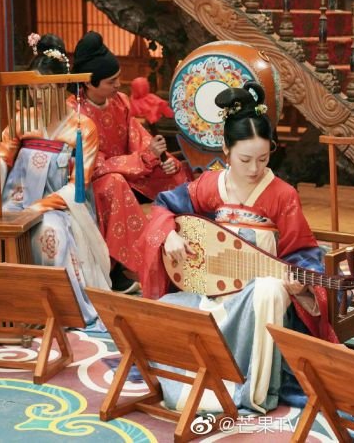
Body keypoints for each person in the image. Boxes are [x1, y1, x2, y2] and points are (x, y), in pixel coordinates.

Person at [136, 81, 338, 414]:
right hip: (213, 290)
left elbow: (303, 253)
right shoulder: (209, 185)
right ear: (226, 150)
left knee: (269, 290)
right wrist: (169, 233)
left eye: (263, 158)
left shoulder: (282, 195)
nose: (255, 169)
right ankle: (203, 382)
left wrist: (300, 285)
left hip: (262, 302)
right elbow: (164, 206)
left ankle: (250, 389)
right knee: (165, 313)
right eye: (245, 159)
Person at [0, 33, 111, 328]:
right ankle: (0, 308)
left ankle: (58, 310)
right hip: (15, 201)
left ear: (61, 86)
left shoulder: (82, 127)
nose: (37, 95)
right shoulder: (22, 120)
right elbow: (2, 161)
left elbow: (78, 185)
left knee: (49, 233)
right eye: (32, 88)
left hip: (58, 206)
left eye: (44, 88)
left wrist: (37, 208)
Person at [68, 31, 188, 293]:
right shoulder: (73, 111)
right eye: (111, 81)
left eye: (118, 78)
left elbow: (137, 136)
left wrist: (160, 157)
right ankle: (126, 266)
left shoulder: (120, 102)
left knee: (175, 172)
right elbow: (93, 163)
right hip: (90, 181)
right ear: (88, 83)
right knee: (115, 183)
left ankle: (186, 240)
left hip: (129, 167)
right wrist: (143, 159)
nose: (118, 85)